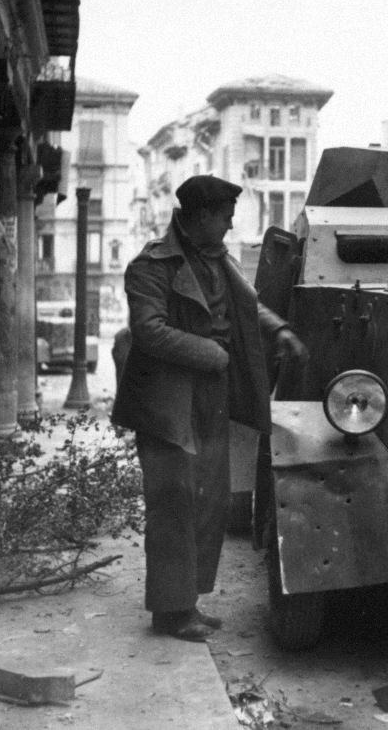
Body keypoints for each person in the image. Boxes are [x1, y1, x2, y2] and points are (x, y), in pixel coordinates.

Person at [111, 175, 307, 640]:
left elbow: (247, 306)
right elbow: (149, 330)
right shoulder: (151, 266)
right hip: (166, 400)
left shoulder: (218, 259)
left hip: (211, 398)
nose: (230, 223)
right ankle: (170, 612)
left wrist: (277, 329)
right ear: (199, 217)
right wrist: (211, 353)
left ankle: (188, 602)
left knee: (210, 501)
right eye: (224, 216)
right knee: (173, 501)